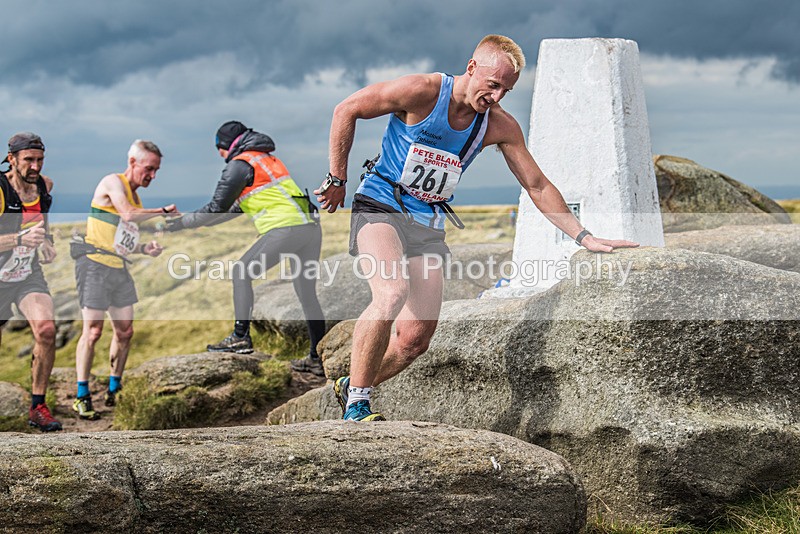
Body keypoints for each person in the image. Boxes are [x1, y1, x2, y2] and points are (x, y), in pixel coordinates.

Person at [316, 34, 639, 421]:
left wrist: (583, 237)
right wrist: (337, 178)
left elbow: (537, 185)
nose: (497, 96)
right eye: (493, 84)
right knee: (392, 292)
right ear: (472, 68)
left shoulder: (498, 125)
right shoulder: (422, 91)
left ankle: (352, 385)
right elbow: (347, 109)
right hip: (381, 205)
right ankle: (357, 406)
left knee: (415, 339)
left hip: (427, 222)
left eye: (506, 89)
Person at [165, 121, 325, 375]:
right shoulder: (266, 159)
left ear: (226, 145)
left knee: (241, 272)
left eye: (219, 148)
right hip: (309, 229)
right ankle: (317, 358)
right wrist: (186, 223)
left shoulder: (239, 165)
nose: (220, 154)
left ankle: (240, 337)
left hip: (285, 229)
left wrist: (180, 222)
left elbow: (215, 207)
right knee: (307, 295)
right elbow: (231, 210)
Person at [72, 140, 177, 420]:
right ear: (132, 162)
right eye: (149, 168)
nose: (152, 175)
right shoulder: (112, 182)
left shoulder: (136, 196)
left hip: (118, 267)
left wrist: (144, 249)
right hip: (94, 265)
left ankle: (114, 389)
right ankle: (81, 395)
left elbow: (121, 241)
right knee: (93, 331)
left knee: (125, 332)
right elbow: (127, 214)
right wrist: (163, 211)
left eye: (156, 170)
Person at [0, 132, 61, 431]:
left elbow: (41, 226)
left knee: (46, 330)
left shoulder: (44, 187)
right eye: (28, 160)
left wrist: (46, 243)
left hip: (26, 274)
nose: (35, 166)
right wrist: (20, 239)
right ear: (11, 159)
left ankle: (38, 407)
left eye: (40, 159)